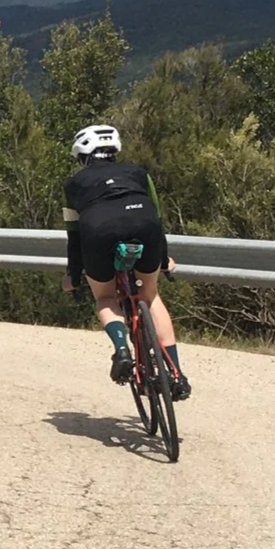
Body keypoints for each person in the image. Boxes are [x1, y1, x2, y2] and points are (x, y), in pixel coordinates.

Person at [58, 124, 191, 399]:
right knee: (151, 297)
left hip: (98, 230)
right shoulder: (138, 173)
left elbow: (74, 235)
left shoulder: (73, 185)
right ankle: (176, 375)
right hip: (144, 222)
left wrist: (74, 274)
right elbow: (157, 217)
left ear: (82, 156)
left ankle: (121, 350)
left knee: (106, 298)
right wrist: (163, 259)